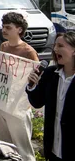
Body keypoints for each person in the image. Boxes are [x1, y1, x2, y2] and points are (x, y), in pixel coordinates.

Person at [26, 32, 75, 161]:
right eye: (55, 45)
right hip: (53, 148)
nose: (55, 49)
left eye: (60, 46)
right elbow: (37, 102)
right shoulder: (50, 74)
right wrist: (32, 86)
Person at [0, 12, 38, 161]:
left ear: (19, 30)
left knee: (22, 147)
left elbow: (36, 79)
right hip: (2, 100)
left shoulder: (28, 51)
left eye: (8, 27)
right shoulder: (3, 46)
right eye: (3, 27)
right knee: (5, 144)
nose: (4, 30)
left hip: (19, 103)